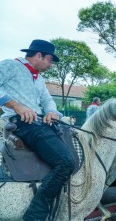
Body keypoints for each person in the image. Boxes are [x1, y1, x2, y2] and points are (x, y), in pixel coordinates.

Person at [0, 39, 75, 220]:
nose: (50, 64)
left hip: (38, 122)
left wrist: (51, 112)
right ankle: (35, 215)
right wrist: (17, 106)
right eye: (50, 60)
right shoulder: (11, 65)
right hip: (20, 123)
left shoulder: (39, 79)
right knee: (66, 162)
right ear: (39, 55)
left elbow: (48, 101)